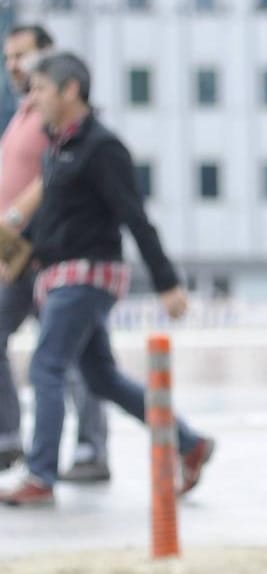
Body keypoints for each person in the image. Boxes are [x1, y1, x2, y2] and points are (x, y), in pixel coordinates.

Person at [0, 52, 213, 508]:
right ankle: (189, 443)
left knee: (46, 364)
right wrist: (16, 254)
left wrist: (167, 281)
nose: (34, 100)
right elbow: (54, 220)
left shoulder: (102, 147)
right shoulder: (58, 148)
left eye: (41, 90)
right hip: (56, 273)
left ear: (70, 90)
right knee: (100, 376)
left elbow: (135, 216)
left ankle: (40, 474)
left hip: (88, 274)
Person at [0, 23, 109, 482]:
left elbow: (61, 171)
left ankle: (88, 447)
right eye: (8, 59)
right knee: (66, 358)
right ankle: (10, 437)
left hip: (48, 253)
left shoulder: (55, 114)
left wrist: (14, 220)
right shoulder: (24, 113)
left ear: (49, 55)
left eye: (22, 56)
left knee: (72, 359)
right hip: (20, 255)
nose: (14, 66)